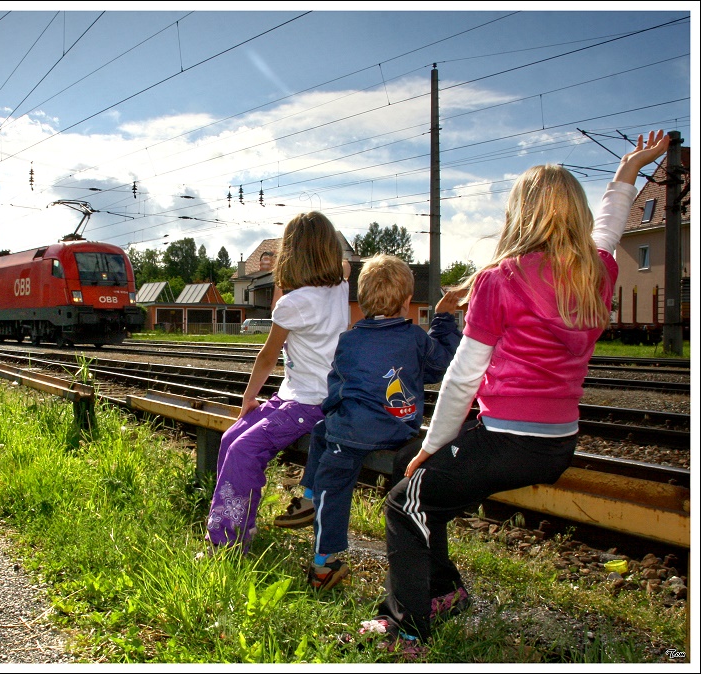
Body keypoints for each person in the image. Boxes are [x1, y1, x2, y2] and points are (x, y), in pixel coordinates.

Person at [356, 130, 671, 655]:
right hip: (558, 442)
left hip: (508, 442)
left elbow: (462, 377)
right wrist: (628, 169)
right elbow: (613, 228)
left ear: (518, 214)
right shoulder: (599, 271)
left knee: (400, 502)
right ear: (576, 214)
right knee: (418, 480)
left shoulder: (501, 280)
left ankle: (404, 628)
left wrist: (435, 444)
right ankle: (445, 591)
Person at [273, 254, 464, 591]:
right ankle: (308, 496)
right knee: (324, 430)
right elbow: (440, 366)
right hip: (397, 430)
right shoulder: (415, 338)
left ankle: (321, 556)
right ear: (407, 302)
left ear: (360, 301)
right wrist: (444, 320)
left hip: (350, 435)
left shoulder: (348, 339)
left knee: (332, 478)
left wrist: (336, 412)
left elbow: (337, 386)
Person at [206, 211, 350, 551]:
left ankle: (227, 543)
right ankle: (240, 524)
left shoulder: (292, 304)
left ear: (290, 254)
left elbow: (268, 357)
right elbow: (344, 266)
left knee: (242, 449)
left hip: (309, 403)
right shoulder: (340, 286)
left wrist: (248, 399)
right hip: (302, 396)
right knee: (231, 438)